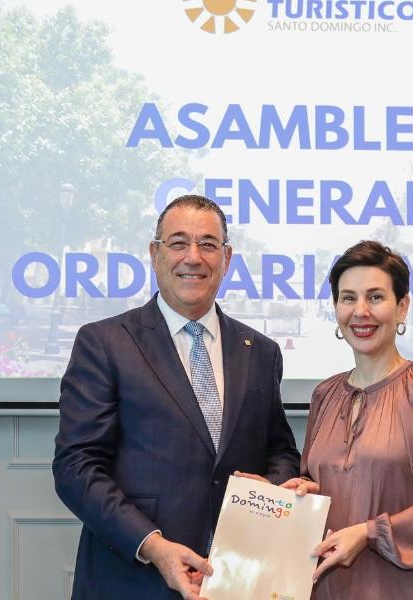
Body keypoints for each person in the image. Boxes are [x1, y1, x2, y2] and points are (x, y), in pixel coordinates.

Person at [53, 195, 300, 600]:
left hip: (237, 581)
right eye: (178, 243)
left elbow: (281, 452)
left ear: (227, 258)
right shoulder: (105, 343)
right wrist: (153, 546)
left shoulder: (261, 351)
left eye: (208, 244)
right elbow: (75, 468)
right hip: (134, 580)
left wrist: (269, 489)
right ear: (155, 254)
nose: (193, 257)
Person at [282, 240, 413, 599]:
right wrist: (301, 490)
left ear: (402, 307)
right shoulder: (324, 394)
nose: (360, 311)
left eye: (375, 297)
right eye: (348, 298)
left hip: (402, 588)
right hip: (327, 587)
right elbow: (317, 479)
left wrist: (370, 533)